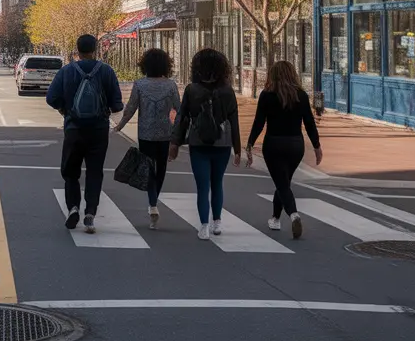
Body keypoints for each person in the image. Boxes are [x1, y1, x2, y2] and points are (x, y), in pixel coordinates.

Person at [46, 33, 123, 234]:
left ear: (77, 50)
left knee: (71, 171)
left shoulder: (67, 71)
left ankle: (73, 207)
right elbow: (116, 105)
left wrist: (64, 108)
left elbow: (51, 97)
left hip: (73, 129)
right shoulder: (106, 71)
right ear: (95, 50)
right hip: (98, 130)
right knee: (95, 172)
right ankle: (90, 213)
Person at [246, 60, 322, 239]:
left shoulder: (267, 95)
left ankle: (294, 214)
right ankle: (275, 218)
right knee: (283, 182)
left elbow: (259, 122)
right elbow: (310, 124)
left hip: (274, 143)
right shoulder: (301, 95)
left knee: (282, 183)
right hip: (296, 144)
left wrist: (250, 143)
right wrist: (317, 146)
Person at [170, 47, 241, 240]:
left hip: (198, 142)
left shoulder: (191, 90)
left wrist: (175, 142)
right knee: (217, 182)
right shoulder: (228, 92)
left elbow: (183, 118)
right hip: (223, 143)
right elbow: (234, 121)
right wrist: (238, 149)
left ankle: (204, 225)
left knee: (202, 186)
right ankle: (217, 221)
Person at [114, 48, 181, 229]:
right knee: (161, 170)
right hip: (165, 134)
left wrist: (120, 126)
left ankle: (152, 204)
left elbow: (131, 108)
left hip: (145, 134)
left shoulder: (140, 85)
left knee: (148, 168)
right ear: (166, 65)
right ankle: (153, 202)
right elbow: (179, 110)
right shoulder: (171, 86)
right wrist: (178, 133)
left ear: (145, 65)